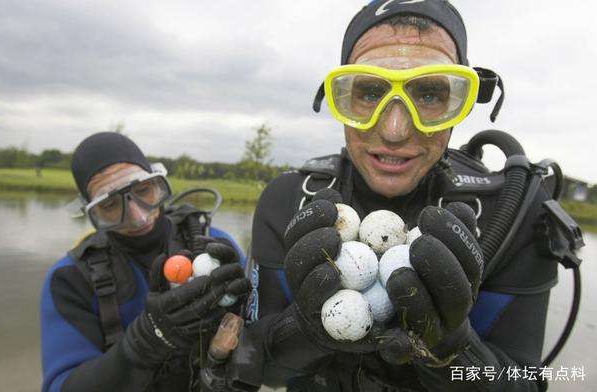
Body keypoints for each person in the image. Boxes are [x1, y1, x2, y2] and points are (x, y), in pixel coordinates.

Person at [243, 1, 583, 391]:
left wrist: (453, 349)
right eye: (369, 92)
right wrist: (304, 329)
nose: (394, 129)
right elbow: (256, 369)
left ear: (461, 105)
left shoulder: (515, 214)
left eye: (429, 95)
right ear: (339, 100)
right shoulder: (287, 201)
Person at [40, 132, 251, 392]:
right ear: (91, 211)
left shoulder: (216, 245)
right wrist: (143, 343)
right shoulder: (69, 279)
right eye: (109, 205)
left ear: (157, 184)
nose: (138, 217)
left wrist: (245, 305)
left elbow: (267, 351)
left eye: (143, 191)